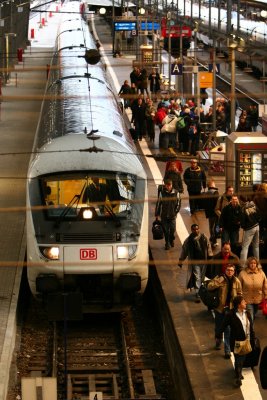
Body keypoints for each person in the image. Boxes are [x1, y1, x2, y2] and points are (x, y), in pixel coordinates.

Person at [218, 295, 255, 387]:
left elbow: (251, 328)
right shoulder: (230, 315)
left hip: (246, 340)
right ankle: (238, 376)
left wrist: (253, 338)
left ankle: (238, 371)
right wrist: (218, 335)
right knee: (238, 357)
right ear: (238, 305)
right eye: (243, 302)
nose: (245, 303)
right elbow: (223, 325)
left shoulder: (247, 313)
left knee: (242, 358)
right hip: (236, 342)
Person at [208, 264, 242, 360]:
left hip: (230, 309)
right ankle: (218, 339)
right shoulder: (219, 278)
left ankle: (227, 350)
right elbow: (209, 287)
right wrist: (219, 282)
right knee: (219, 327)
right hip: (220, 308)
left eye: (231, 270)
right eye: (228, 270)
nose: (229, 272)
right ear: (225, 270)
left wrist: (239, 305)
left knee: (228, 329)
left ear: (234, 271)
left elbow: (240, 293)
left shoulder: (236, 281)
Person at [178, 224, 213, 302]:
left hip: (204, 261)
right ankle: (198, 292)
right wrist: (181, 260)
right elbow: (184, 250)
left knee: (202, 277)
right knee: (197, 276)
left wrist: (210, 256)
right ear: (192, 230)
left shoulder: (204, 237)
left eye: (197, 229)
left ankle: (200, 289)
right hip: (195, 262)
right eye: (194, 229)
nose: (196, 231)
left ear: (199, 229)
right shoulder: (188, 240)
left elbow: (208, 246)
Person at [238, 257, 267, 321]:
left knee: (254, 313)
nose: (253, 264)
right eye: (251, 263)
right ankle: (250, 330)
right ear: (248, 264)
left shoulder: (261, 273)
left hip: (258, 298)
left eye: (254, 263)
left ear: (257, 264)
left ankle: (249, 328)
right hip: (246, 299)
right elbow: (238, 286)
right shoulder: (242, 273)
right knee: (250, 317)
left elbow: (265, 285)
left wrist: (266, 295)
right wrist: (239, 297)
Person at [155, 179, 181, 250]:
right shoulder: (162, 193)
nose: (169, 187)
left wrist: (175, 212)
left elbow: (179, 204)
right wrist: (157, 214)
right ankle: (167, 243)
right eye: (167, 185)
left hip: (172, 216)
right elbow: (159, 204)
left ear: (172, 185)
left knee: (173, 229)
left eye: (170, 185)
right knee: (166, 230)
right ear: (165, 185)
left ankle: (171, 239)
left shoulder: (176, 193)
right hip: (164, 215)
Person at [239, 197, 261, 265]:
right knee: (256, 246)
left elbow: (242, 222)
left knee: (245, 247)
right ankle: (258, 263)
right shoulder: (253, 205)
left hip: (249, 229)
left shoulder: (243, 209)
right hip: (257, 226)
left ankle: (242, 265)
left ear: (241, 201)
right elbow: (259, 216)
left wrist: (244, 227)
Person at [203, 179, 219, 248]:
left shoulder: (206, 193)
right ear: (212, 185)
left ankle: (213, 239)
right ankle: (214, 239)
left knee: (211, 227)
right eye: (214, 183)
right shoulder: (216, 192)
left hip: (209, 213)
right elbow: (217, 203)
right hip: (216, 213)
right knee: (217, 226)